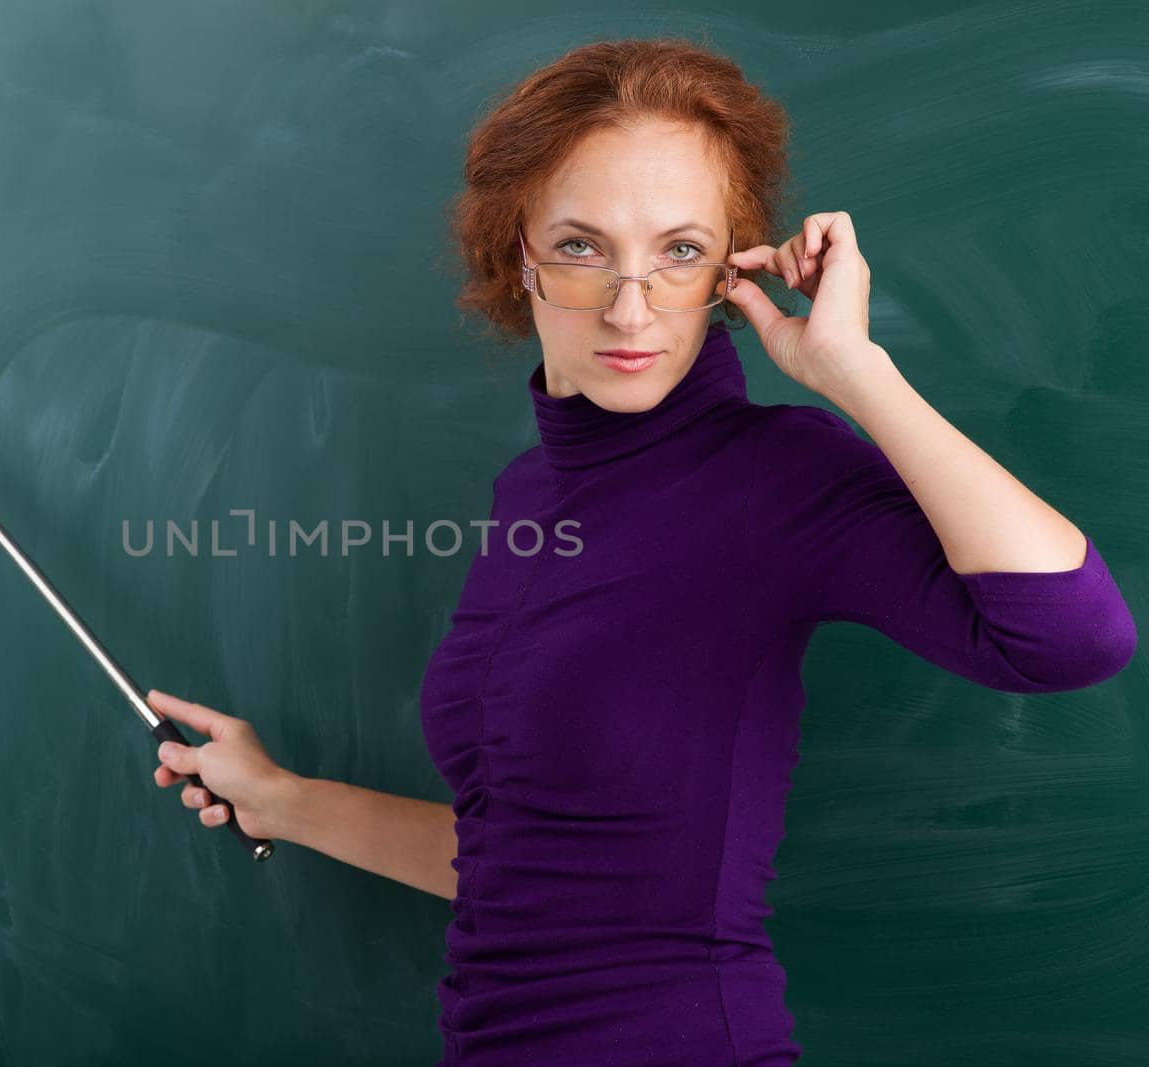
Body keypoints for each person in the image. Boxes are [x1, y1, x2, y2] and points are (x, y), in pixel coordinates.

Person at [146, 37, 1138, 1066]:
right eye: (581, 247)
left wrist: (853, 369)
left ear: (729, 265)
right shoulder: (530, 493)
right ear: (514, 252)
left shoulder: (774, 475)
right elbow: (528, 862)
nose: (631, 308)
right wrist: (286, 801)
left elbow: (1072, 639)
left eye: (677, 251)